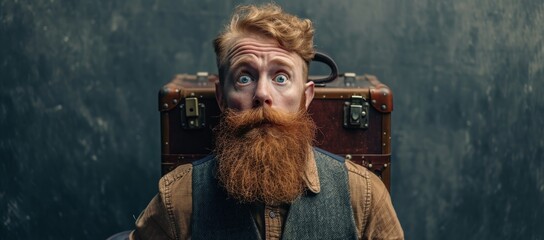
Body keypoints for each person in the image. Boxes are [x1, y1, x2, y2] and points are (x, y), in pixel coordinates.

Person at [130, 3, 404, 240]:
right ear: (221, 96)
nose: (262, 94)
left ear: (305, 97)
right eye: (244, 78)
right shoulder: (177, 199)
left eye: (281, 78)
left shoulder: (365, 196)